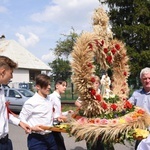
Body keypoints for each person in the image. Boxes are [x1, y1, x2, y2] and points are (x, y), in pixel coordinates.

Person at [19, 74, 58, 150]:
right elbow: (21, 119)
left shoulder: (50, 99)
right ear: (38, 87)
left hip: (50, 137)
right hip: (37, 140)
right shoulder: (31, 102)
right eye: (46, 85)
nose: (49, 87)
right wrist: (32, 128)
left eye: (49, 84)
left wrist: (57, 118)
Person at [0, 56, 31, 150]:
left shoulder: (1, 89)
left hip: (5, 141)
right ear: (2, 72)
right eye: (11, 73)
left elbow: (4, 114)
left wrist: (20, 122)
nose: (12, 76)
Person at [129, 67, 150, 150]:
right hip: (140, 132)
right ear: (141, 80)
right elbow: (127, 106)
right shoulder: (136, 94)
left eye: (149, 78)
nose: (147, 81)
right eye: (145, 79)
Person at [50, 79, 73, 150]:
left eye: (65, 86)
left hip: (57, 126)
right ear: (57, 86)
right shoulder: (52, 97)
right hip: (53, 126)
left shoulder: (57, 97)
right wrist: (57, 118)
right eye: (63, 85)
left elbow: (57, 113)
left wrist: (66, 112)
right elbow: (49, 113)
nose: (65, 87)